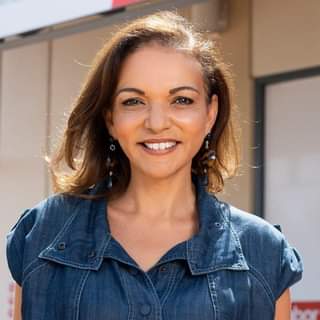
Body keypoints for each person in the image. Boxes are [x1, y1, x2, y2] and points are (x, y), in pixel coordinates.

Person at [6, 10, 303, 320]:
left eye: (182, 100)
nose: (157, 123)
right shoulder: (42, 234)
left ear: (210, 114)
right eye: (134, 101)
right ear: (110, 117)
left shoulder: (263, 252)